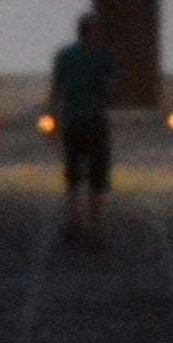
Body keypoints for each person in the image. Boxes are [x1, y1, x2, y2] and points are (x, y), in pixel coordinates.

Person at [47, 14, 116, 242]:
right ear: (91, 32)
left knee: (73, 175)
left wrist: (52, 121)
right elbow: (109, 90)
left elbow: (55, 90)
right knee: (97, 176)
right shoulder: (103, 56)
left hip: (71, 122)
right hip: (94, 122)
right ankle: (94, 228)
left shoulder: (64, 56)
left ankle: (73, 223)